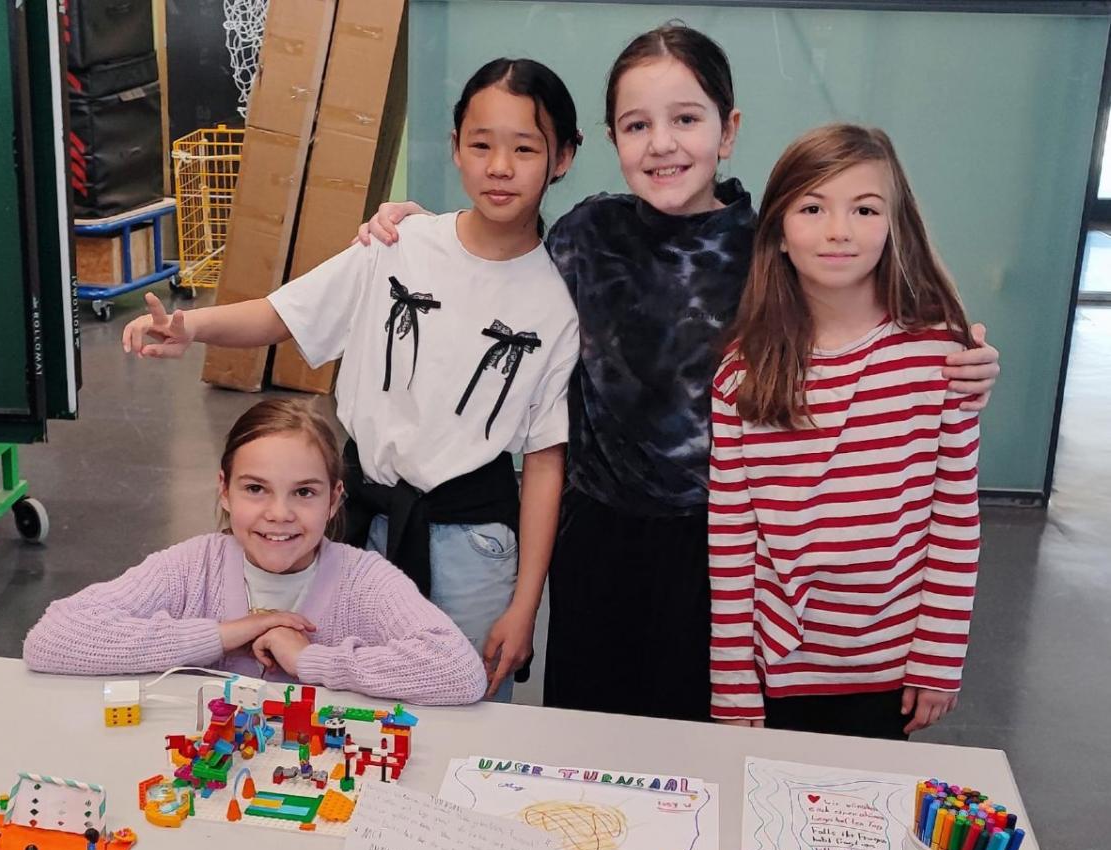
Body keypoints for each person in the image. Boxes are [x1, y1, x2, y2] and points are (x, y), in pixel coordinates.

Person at [357, 23, 999, 720]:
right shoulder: (586, 237)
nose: (662, 143)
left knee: (700, 741)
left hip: (723, 547)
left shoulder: (770, 251)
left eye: (686, 119)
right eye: (638, 125)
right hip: (594, 537)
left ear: (728, 131)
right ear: (613, 140)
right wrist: (420, 233)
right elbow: (496, 272)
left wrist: (964, 357)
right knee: (587, 732)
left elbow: (869, 320)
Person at [120, 58, 584, 703]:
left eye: (525, 149)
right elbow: (284, 312)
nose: (500, 167)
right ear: (456, 147)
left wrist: (525, 605)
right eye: (481, 145)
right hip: (362, 524)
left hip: (473, 549)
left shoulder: (557, 303)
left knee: (465, 702)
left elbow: (544, 461)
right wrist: (191, 326)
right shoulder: (399, 244)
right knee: (342, 697)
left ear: (563, 157)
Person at [708, 124, 979, 739]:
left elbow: (955, 517)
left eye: (865, 209)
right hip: (775, 666)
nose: (839, 230)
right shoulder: (741, 372)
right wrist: (732, 676)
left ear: (894, 226)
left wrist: (939, 655)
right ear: (778, 233)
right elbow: (732, 537)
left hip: (891, 665)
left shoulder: (941, 356)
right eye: (813, 208)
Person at [23, 399, 487, 706]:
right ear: (224, 491)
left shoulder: (364, 579)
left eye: (304, 492)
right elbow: (53, 638)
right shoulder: (191, 566)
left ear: (334, 500)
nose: (279, 514)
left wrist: (308, 660)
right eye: (255, 489)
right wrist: (227, 633)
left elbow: (459, 671)